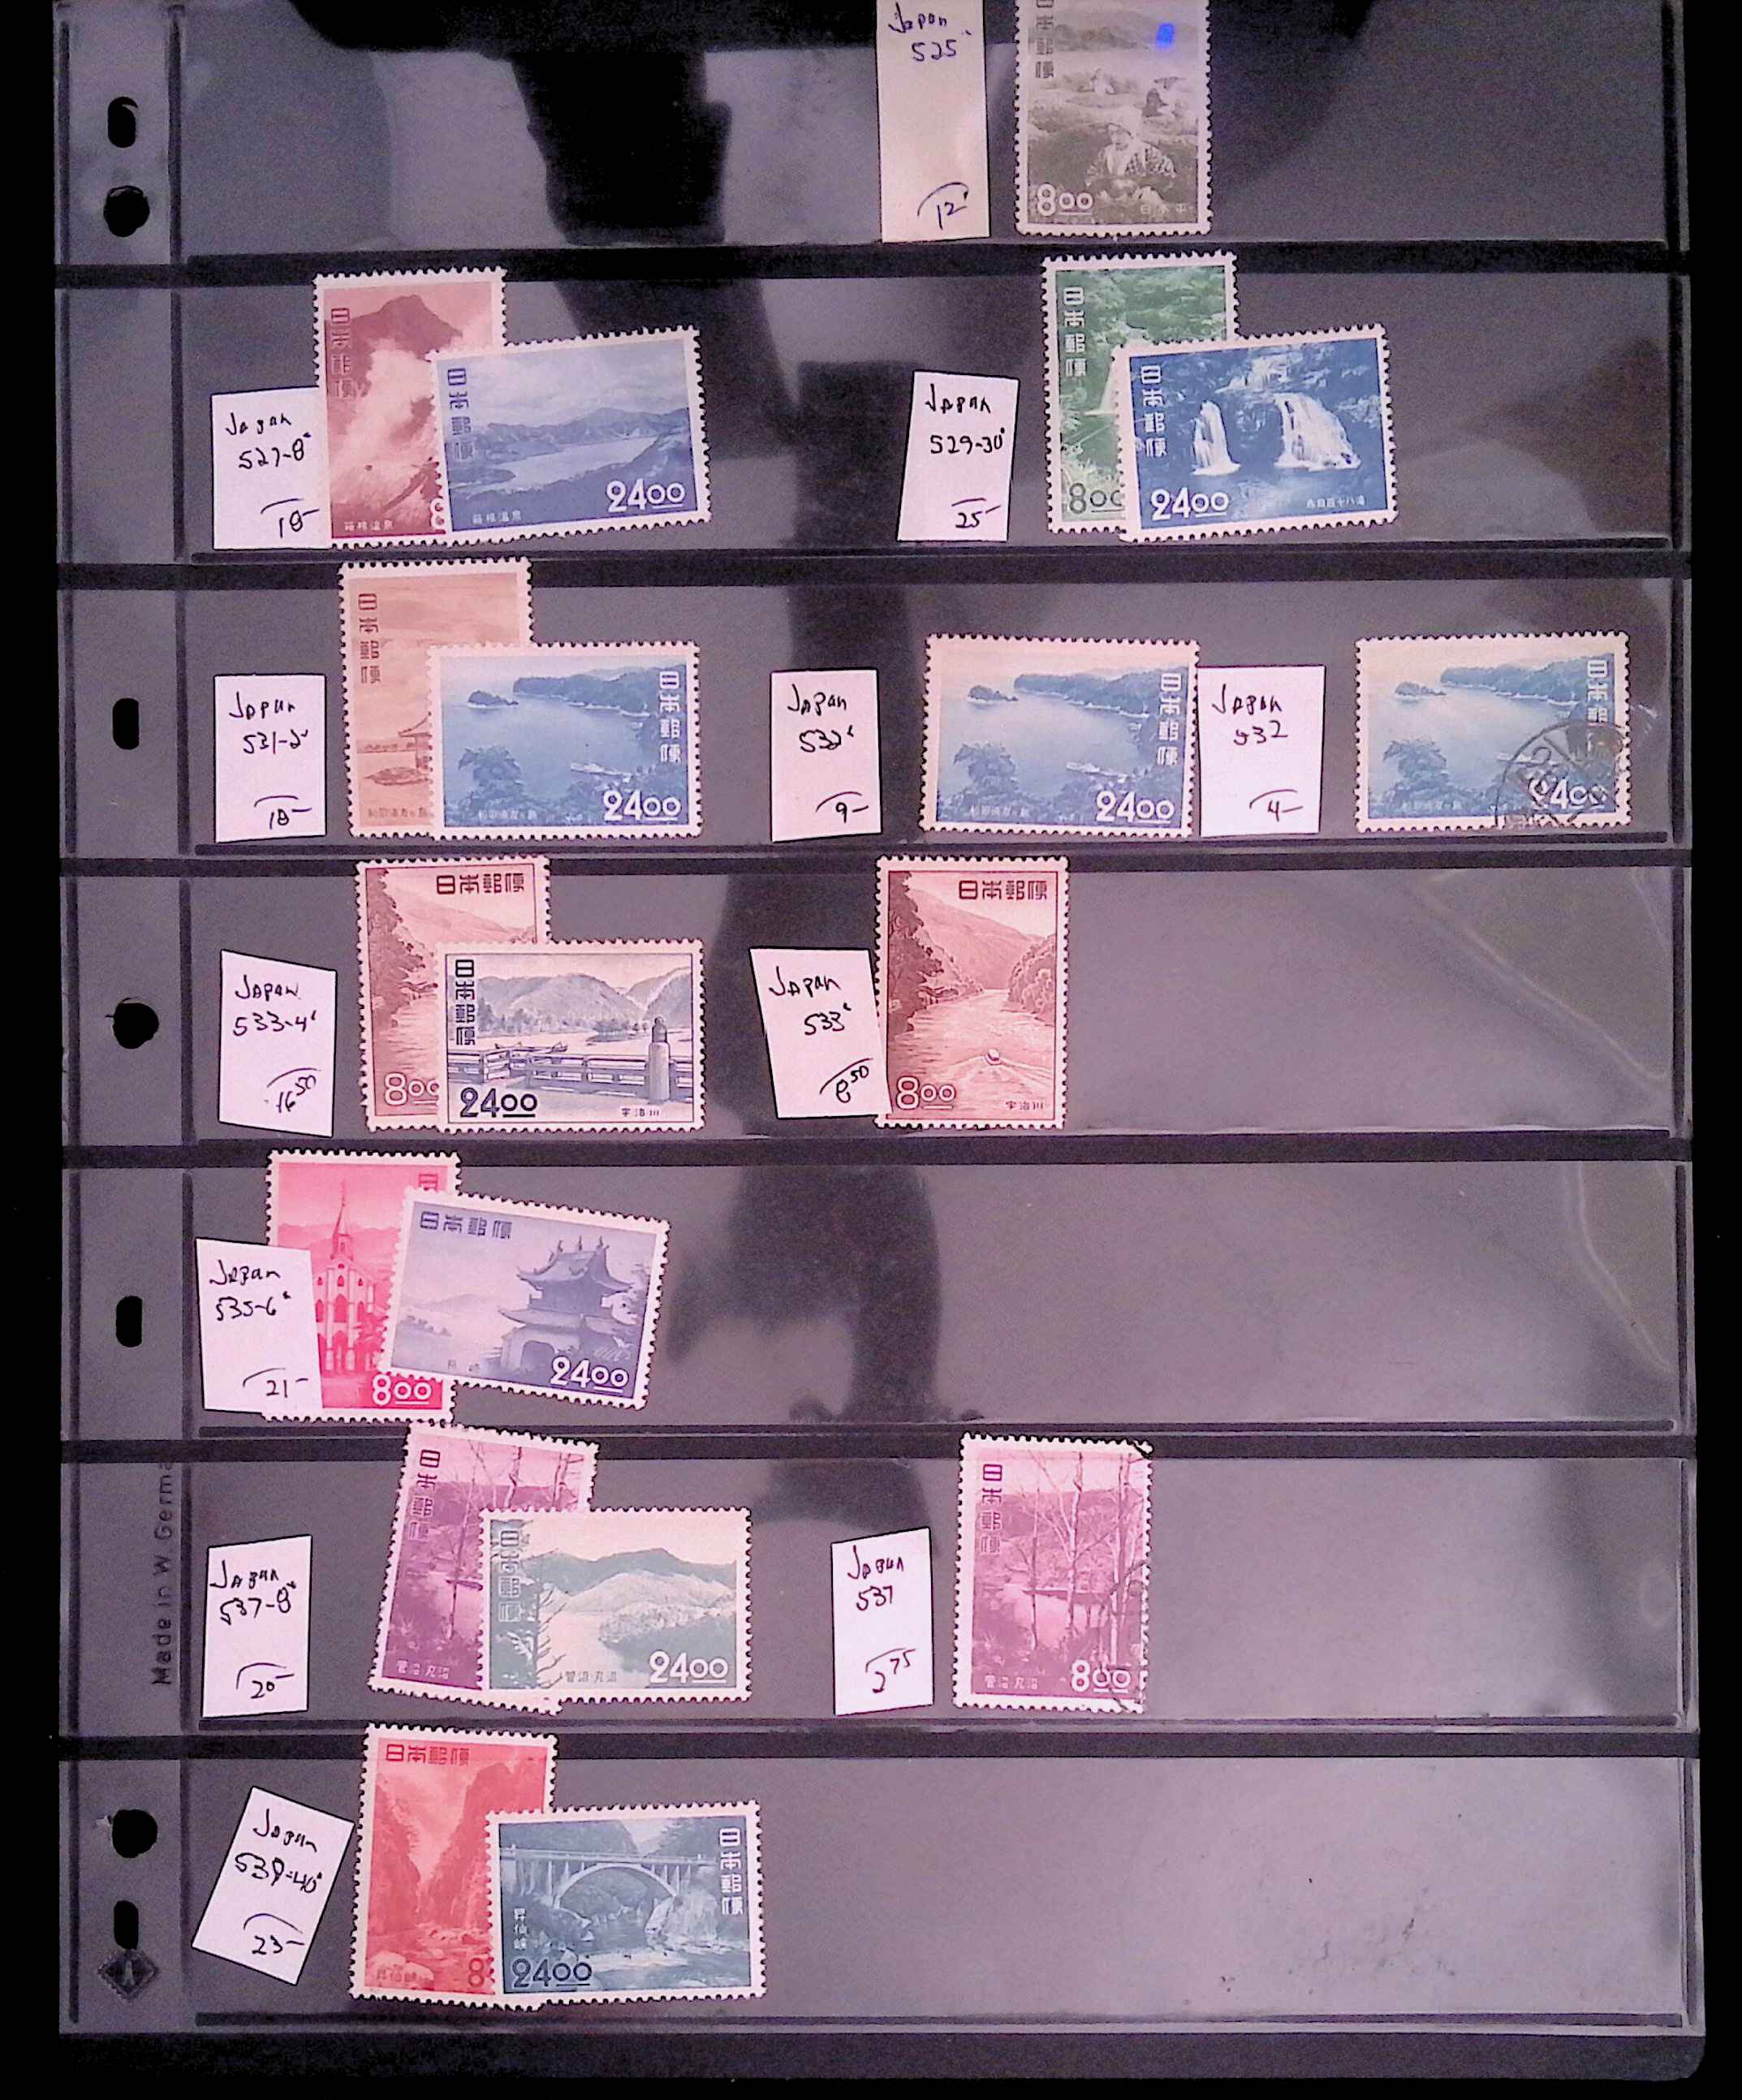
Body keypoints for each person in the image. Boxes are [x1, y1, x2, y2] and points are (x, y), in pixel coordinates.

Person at [1083, 116, 1177, 217]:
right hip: (1111, 201)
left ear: (1130, 133)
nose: (1115, 138)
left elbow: (1167, 172)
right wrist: (1101, 190)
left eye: (1120, 133)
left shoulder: (1144, 151)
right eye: (1111, 133)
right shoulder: (1106, 153)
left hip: (1140, 200)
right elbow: (1092, 175)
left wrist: (1142, 184)